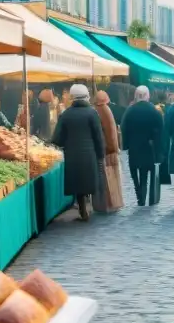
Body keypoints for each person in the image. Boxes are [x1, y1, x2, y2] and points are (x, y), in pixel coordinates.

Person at [52, 84, 105, 222]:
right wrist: (100, 153)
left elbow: (57, 138)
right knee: (89, 179)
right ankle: (91, 206)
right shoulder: (92, 113)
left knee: (78, 183)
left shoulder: (65, 114)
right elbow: (98, 136)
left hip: (72, 155)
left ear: (72, 97)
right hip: (89, 153)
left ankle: (82, 209)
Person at [121, 86, 164, 206]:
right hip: (150, 148)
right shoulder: (155, 111)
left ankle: (140, 196)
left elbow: (124, 128)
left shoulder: (130, 111)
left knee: (136, 174)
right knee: (148, 174)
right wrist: (160, 150)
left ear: (136, 95)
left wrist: (126, 145)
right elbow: (161, 131)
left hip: (134, 148)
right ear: (147, 96)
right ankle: (150, 197)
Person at [92, 90, 123, 214]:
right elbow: (112, 133)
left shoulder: (99, 111)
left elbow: (108, 133)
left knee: (106, 177)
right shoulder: (106, 110)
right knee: (111, 176)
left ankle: (107, 203)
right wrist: (114, 148)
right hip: (110, 149)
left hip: (106, 149)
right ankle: (112, 202)